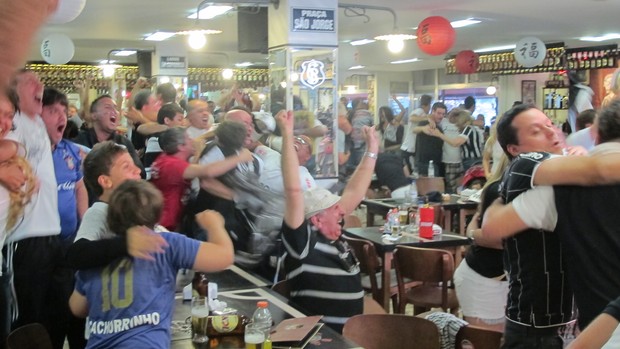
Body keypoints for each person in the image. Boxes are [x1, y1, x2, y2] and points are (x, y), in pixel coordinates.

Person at [482, 100, 620, 348]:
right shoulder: (529, 166)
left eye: (550, 124)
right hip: (537, 320)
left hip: (577, 319)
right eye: (536, 131)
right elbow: (599, 169)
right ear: (514, 149)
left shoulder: (563, 178)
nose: (551, 131)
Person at [69, 180, 234, 348]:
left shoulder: (96, 256)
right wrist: (215, 226)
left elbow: (76, 307)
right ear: (156, 216)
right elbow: (224, 257)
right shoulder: (164, 244)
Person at [278, 107, 378, 333]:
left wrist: (372, 148)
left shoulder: (335, 236)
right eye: (334, 208)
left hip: (348, 336)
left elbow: (355, 190)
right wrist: (287, 134)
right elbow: (293, 190)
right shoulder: (303, 244)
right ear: (316, 220)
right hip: (319, 339)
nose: (342, 211)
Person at [40, 87, 88, 349]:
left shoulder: (70, 151)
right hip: (39, 248)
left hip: (70, 243)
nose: (61, 117)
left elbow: (79, 187)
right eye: (52, 111)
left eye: (63, 110)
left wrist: (84, 227)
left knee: (74, 306)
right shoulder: (28, 152)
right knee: (49, 313)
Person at [150, 127, 253, 232]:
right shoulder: (173, 165)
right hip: (163, 223)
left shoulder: (165, 158)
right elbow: (208, 171)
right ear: (181, 146)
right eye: (189, 139)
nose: (193, 141)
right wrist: (240, 158)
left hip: (168, 218)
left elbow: (190, 170)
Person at [453, 154, 509, 332]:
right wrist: (472, 234)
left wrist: (471, 234)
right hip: (485, 279)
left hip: (504, 279)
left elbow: (475, 222)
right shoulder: (498, 190)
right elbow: (499, 240)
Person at [414, 102, 447, 176]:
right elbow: (415, 129)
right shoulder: (425, 122)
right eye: (439, 113)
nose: (441, 116)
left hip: (437, 162)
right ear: (433, 111)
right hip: (425, 163)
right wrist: (423, 128)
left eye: (443, 114)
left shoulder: (440, 126)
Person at [401, 94, 432, 174]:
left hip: (412, 148)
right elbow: (412, 118)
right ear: (427, 105)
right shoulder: (419, 111)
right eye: (430, 106)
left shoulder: (422, 112)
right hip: (409, 148)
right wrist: (427, 118)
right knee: (410, 173)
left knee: (414, 172)